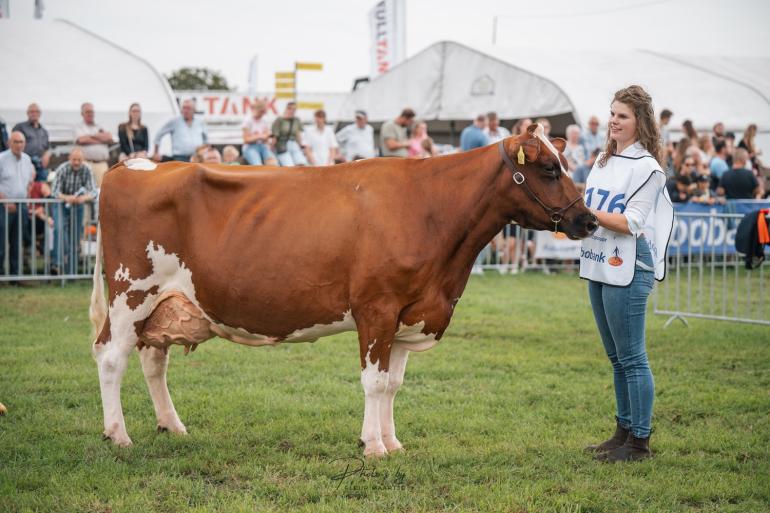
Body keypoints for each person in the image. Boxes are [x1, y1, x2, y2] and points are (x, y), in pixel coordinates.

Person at [580, 85, 674, 462]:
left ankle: (640, 441)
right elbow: (592, 209)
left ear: (640, 122)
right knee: (616, 357)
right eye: (613, 114)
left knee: (633, 356)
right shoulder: (602, 161)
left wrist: (583, 214)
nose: (614, 121)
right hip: (600, 261)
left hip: (630, 266)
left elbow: (632, 222)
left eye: (623, 116)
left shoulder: (648, 168)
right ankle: (622, 430)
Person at [50, 147, 96, 275]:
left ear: (83, 160)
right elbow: (54, 191)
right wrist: (67, 198)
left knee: (76, 236)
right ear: (69, 159)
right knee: (59, 230)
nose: (76, 162)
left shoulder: (87, 170)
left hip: (78, 205)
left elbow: (93, 191)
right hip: (61, 204)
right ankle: (57, 264)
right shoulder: (62, 169)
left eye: (79, 160)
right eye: (74, 159)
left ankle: (72, 271)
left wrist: (83, 198)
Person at [0, 131, 34, 276]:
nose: (19, 145)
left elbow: (30, 179)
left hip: (21, 206)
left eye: (21, 142)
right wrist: (6, 201)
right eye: (15, 142)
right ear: (9, 143)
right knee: (1, 242)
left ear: (24, 144)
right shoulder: (1, 158)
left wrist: (27, 193)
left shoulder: (27, 159)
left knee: (17, 242)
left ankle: (15, 275)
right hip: (3, 206)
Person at [74, 102, 113, 186]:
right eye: (87, 111)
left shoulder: (100, 126)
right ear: (82, 113)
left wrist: (90, 137)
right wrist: (101, 138)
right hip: (85, 164)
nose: (90, 114)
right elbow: (81, 140)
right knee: (85, 190)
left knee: (102, 190)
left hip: (101, 164)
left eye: (92, 111)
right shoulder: (79, 127)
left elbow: (109, 137)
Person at [13, 103, 50, 181]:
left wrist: (46, 155)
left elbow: (47, 148)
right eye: (32, 112)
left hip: (40, 166)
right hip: (25, 163)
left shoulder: (44, 131)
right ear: (27, 113)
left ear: (40, 114)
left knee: (41, 187)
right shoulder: (20, 127)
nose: (34, 114)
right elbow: (12, 144)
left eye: (36, 112)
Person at [241, 99, 277, 166]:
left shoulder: (264, 120)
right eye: (261, 112)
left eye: (264, 112)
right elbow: (246, 139)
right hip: (250, 147)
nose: (262, 114)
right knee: (257, 165)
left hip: (262, 145)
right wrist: (260, 136)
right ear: (257, 109)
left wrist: (263, 137)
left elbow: (266, 137)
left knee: (273, 163)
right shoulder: (247, 120)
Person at [272, 102, 308, 166]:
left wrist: (301, 146)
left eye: (294, 110)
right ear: (286, 109)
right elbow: (275, 136)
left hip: (294, 144)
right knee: (289, 165)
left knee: (302, 163)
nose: (292, 111)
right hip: (282, 145)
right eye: (290, 109)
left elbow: (298, 134)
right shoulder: (279, 120)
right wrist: (272, 149)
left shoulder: (296, 120)